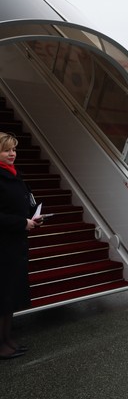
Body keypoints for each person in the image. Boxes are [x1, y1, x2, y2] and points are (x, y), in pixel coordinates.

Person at [0, 132, 41, 360]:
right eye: (7, 150)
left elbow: (21, 204)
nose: (12, 154)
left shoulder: (16, 175)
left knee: (10, 297)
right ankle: (0, 344)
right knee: (2, 297)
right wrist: (20, 222)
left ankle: (7, 339)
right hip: (3, 246)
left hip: (15, 244)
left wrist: (33, 218)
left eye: (14, 150)